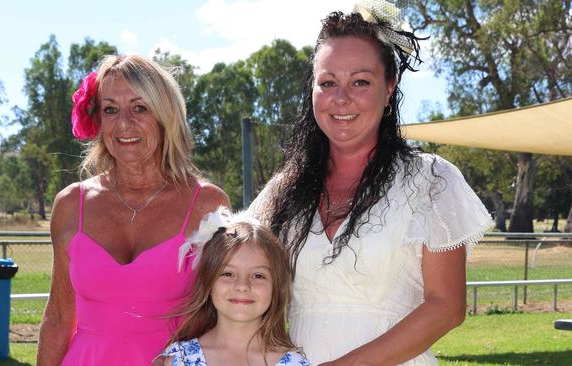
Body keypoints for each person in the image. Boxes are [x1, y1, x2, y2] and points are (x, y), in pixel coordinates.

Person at [248, 1, 494, 365]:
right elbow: (232, 272)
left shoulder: (431, 180)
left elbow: (447, 306)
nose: (341, 98)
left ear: (389, 88)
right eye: (327, 82)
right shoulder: (284, 191)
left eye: (360, 81)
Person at [36, 54, 230, 365]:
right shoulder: (71, 205)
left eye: (140, 108)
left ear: (165, 116)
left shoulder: (206, 204)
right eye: (110, 109)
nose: (124, 123)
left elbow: (225, 319)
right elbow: (58, 318)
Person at [156, 211, 311, 366]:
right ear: (208, 282)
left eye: (258, 275)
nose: (242, 286)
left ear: (277, 287)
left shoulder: (295, 363)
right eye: (228, 273)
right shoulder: (178, 359)